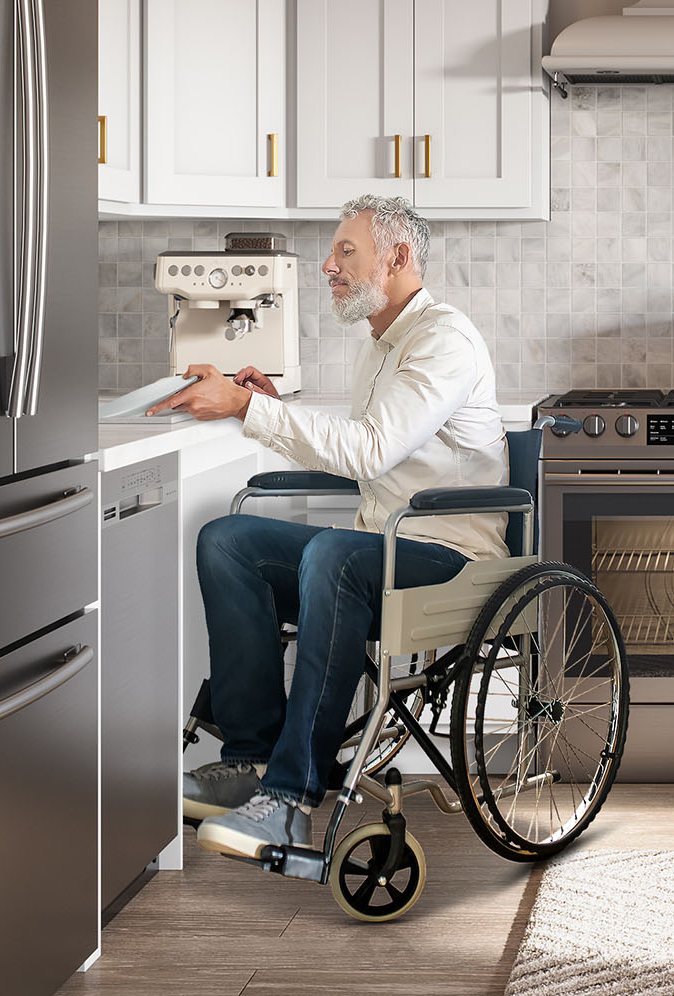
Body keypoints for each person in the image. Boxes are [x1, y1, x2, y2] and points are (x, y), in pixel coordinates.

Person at [149, 195, 507, 860]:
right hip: (384, 550)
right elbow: (366, 449)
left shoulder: (443, 340)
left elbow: (368, 450)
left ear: (397, 258)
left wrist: (248, 406)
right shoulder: (381, 343)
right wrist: (266, 405)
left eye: (346, 251)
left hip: (450, 558)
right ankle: (252, 763)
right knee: (229, 542)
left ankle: (290, 799)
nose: (326, 265)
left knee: (335, 557)